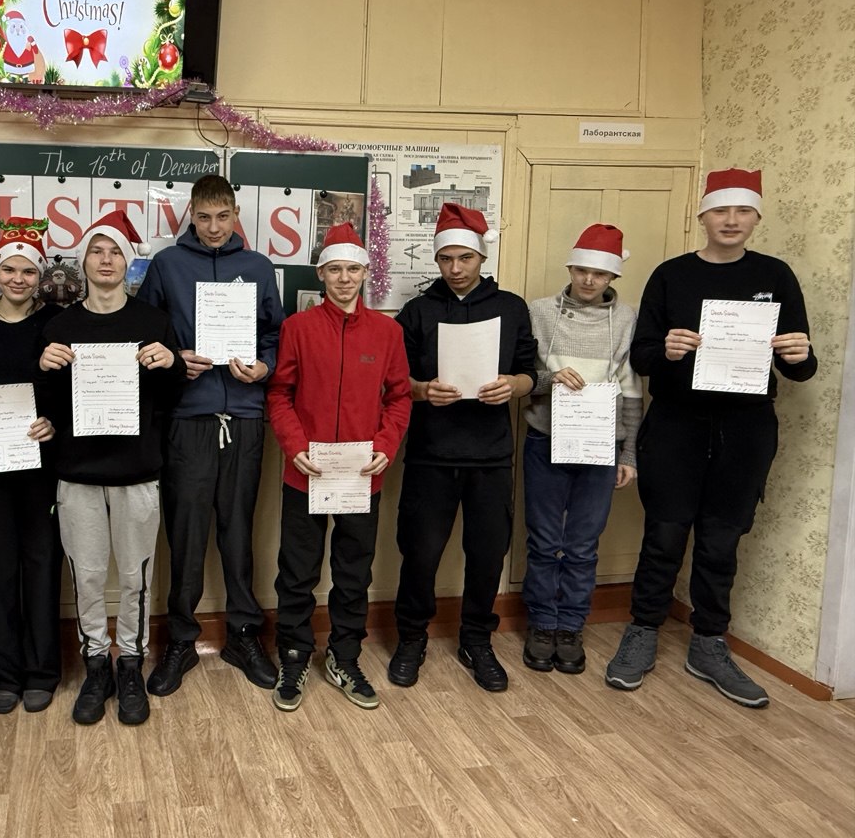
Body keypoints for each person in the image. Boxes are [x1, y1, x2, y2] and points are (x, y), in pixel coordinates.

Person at [606, 168, 815, 708]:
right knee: (664, 534)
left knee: (723, 540)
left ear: (756, 218)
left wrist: (801, 355)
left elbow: (799, 365)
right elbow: (641, 357)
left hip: (746, 428)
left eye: (743, 211)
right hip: (676, 424)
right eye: (721, 210)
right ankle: (643, 630)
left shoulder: (776, 275)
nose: (731, 220)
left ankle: (709, 642)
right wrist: (666, 350)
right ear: (703, 215)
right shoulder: (671, 275)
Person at [137, 174, 284, 697]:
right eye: (204, 217)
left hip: (243, 414)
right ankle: (181, 638)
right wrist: (176, 359)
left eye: (223, 217)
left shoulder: (258, 267)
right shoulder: (168, 265)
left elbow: (274, 332)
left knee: (238, 529)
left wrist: (264, 367)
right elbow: (146, 334)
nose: (214, 227)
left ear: (236, 215)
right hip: (188, 417)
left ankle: (244, 634)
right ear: (191, 217)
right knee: (187, 532)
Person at [38, 211, 186, 725]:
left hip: (137, 470)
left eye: (115, 252)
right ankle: (96, 663)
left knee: (135, 576)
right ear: (83, 263)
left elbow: (171, 398)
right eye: (97, 251)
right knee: (87, 575)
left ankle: (130, 664)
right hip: (77, 472)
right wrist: (45, 370)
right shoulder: (59, 327)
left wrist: (172, 364)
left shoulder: (153, 323)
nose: (106, 260)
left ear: (128, 263)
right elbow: (47, 409)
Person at [389, 202, 537, 693]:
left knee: (487, 554)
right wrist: (422, 390)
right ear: (437, 260)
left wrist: (512, 386)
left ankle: (477, 639)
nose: (455, 268)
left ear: (481, 258)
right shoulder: (418, 311)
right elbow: (395, 381)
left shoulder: (511, 308)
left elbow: (530, 372)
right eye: (446, 259)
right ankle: (412, 637)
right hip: (431, 454)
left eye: (465, 258)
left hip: (491, 455)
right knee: (420, 553)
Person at [266, 223, 411, 711]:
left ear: (366, 272)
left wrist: (386, 445)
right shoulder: (298, 328)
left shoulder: (388, 332)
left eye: (352, 269)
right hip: (305, 471)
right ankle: (294, 654)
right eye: (335, 270)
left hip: (361, 476)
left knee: (353, 572)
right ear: (321, 274)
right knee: (297, 571)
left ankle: (344, 656)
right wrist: (294, 446)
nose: (344, 278)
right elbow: (280, 394)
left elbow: (399, 397)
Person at [521, 224, 643, 674]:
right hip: (545, 438)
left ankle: (571, 625)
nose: (589, 280)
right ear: (570, 268)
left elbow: (632, 389)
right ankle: (542, 624)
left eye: (600, 274)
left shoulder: (627, 319)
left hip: (600, 445)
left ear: (613, 277)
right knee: (544, 540)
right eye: (581, 271)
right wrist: (549, 378)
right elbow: (521, 373)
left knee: (583, 544)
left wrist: (628, 453)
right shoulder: (539, 313)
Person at [0, 219, 61, 715]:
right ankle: (3, 674)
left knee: (42, 566)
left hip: (42, 466)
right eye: (9, 269)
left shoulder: (56, 323)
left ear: (40, 276)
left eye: (28, 271)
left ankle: (42, 671)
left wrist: (54, 421)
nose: (18, 279)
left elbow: (70, 389)